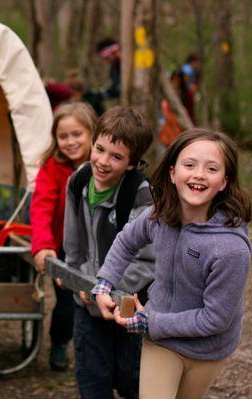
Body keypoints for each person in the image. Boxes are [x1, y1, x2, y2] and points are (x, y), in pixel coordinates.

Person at [94, 128, 251, 399]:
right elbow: (127, 241)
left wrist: (149, 322)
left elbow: (215, 318)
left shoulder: (230, 250)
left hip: (207, 349)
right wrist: (104, 284)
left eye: (211, 168)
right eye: (189, 165)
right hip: (161, 340)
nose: (199, 174)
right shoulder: (159, 215)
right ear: (172, 172)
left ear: (224, 182)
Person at [62, 107, 155, 398]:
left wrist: (108, 290)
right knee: (92, 381)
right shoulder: (78, 181)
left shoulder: (140, 194)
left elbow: (147, 259)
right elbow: (73, 241)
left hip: (130, 308)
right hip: (87, 306)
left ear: (131, 163)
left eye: (116, 156)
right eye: (100, 149)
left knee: (133, 382)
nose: (103, 161)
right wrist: (76, 278)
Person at [30, 102, 97, 371]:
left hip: (99, 247)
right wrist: (44, 246)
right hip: (64, 247)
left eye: (77, 134)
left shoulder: (104, 165)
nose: (70, 142)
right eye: (63, 136)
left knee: (97, 298)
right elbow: (42, 207)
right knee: (68, 304)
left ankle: (97, 354)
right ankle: (60, 342)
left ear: (93, 132)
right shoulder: (52, 168)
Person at [159, 69, 195, 148]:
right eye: (174, 79)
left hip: (180, 125)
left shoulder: (187, 94)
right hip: (168, 126)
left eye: (178, 79)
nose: (176, 82)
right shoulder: (166, 93)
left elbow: (190, 111)